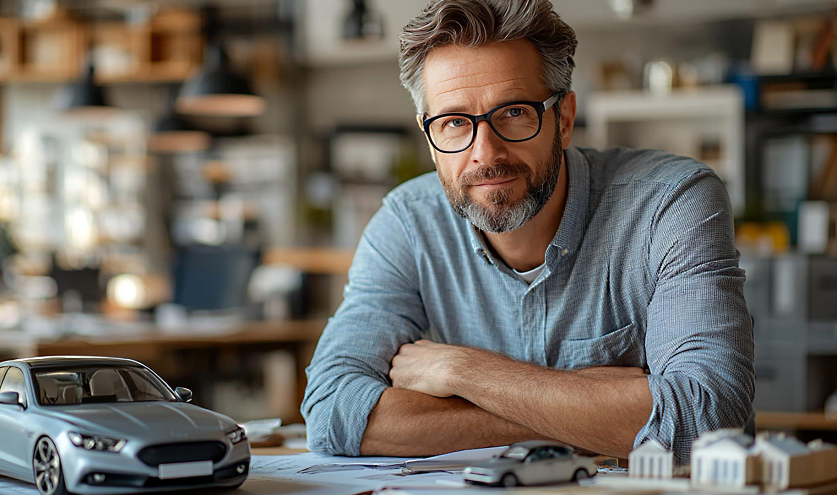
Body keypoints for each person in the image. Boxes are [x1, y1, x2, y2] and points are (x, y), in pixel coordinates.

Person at [301, 0, 753, 465]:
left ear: (564, 120)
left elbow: (706, 418)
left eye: (514, 112)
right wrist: (596, 412)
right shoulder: (407, 223)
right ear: (429, 137)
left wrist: (462, 371)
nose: (486, 153)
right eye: (454, 122)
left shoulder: (671, 202)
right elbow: (333, 411)